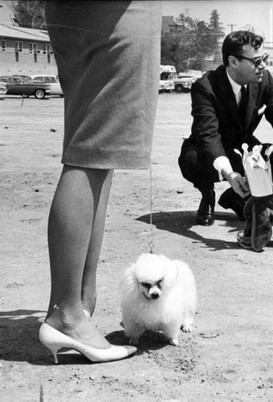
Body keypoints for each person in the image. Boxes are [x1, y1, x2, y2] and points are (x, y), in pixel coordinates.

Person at [38, 1, 161, 364]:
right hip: (113, 15)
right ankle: (66, 313)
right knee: (92, 149)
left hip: (89, 15)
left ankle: (78, 300)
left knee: (99, 151)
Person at [178, 30, 273, 226]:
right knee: (190, 160)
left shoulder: (265, 80)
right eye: (256, 60)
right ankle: (207, 194)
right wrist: (230, 175)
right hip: (209, 149)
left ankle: (235, 198)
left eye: (265, 58)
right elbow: (209, 135)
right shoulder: (205, 87)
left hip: (242, 149)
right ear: (233, 61)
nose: (263, 65)